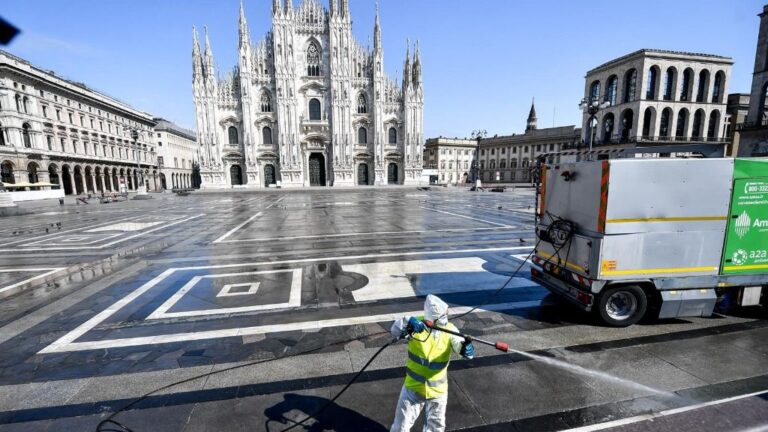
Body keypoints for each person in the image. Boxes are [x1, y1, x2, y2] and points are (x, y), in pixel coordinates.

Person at [389, 294, 475, 432]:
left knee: (436, 428)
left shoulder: (450, 330)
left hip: (437, 391)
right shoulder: (416, 325)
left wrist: (466, 349)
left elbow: (461, 348)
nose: (446, 317)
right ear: (434, 318)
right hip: (413, 388)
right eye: (443, 315)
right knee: (400, 427)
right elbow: (394, 330)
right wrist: (407, 321)